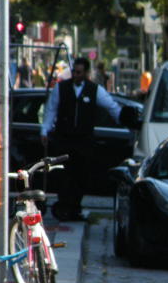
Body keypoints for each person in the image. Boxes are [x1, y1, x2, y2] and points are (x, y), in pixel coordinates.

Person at [40, 57, 124, 221]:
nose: (76, 75)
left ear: (85, 73)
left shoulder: (95, 90)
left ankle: (75, 207)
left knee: (81, 175)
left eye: (79, 72)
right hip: (64, 139)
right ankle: (64, 206)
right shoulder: (61, 88)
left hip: (84, 141)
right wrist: (45, 130)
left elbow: (111, 106)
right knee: (64, 175)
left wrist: (123, 119)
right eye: (74, 72)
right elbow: (51, 110)